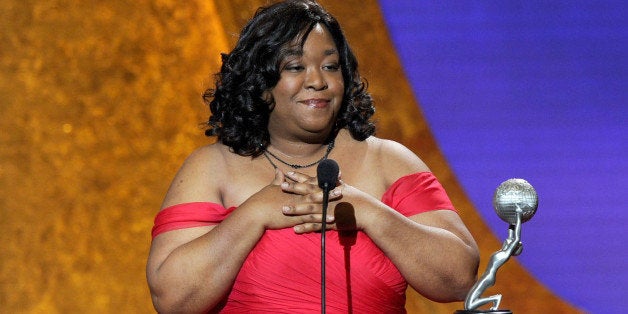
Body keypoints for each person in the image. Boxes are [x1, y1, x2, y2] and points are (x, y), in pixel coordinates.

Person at [146, 0, 479, 313]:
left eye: (330, 66)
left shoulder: (387, 160)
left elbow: (460, 280)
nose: (318, 81)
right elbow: (172, 300)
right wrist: (254, 213)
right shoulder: (212, 167)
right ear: (261, 83)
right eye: (295, 66)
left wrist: (366, 211)